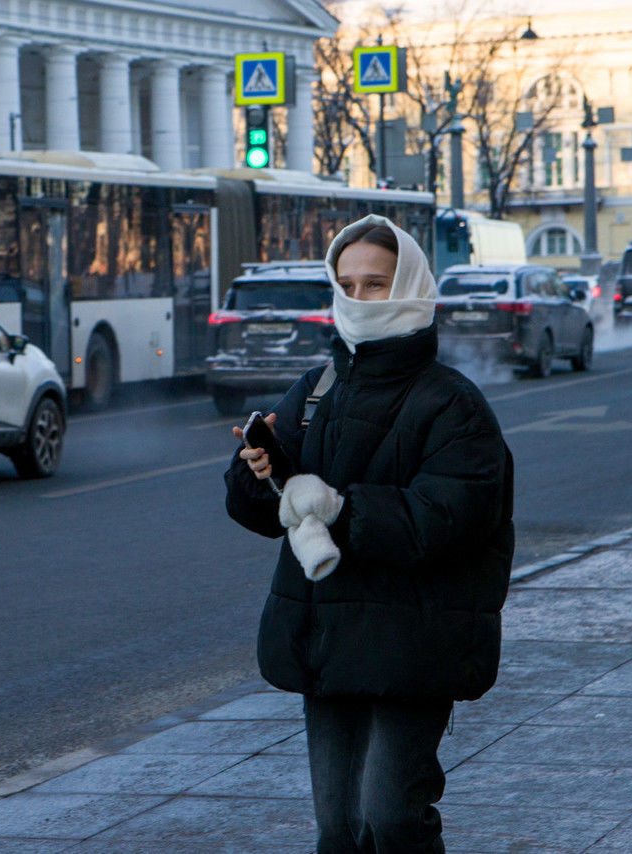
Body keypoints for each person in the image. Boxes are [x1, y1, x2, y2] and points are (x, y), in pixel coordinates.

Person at [225, 214, 514, 853]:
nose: (358, 300)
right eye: (346, 285)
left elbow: (444, 518)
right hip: (327, 638)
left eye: (375, 285)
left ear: (409, 283)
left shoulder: (453, 403)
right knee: (338, 829)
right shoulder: (316, 388)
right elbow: (260, 513)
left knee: (390, 819)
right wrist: (256, 471)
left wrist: (337, 507)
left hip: (413, 643)